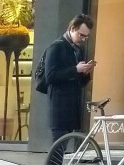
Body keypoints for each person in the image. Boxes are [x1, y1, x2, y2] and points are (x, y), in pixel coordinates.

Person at [42, 14, 96, 144]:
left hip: (72, 106)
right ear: (72, 28)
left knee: (63, 147)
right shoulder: (57, 47)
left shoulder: (78, 50)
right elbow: (50, 76)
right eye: (81, 35)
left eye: (86, 36)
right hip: (59, 107)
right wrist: (75, 69)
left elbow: (80, 83)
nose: (83, 39)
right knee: (57, 148)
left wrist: (85, 72)